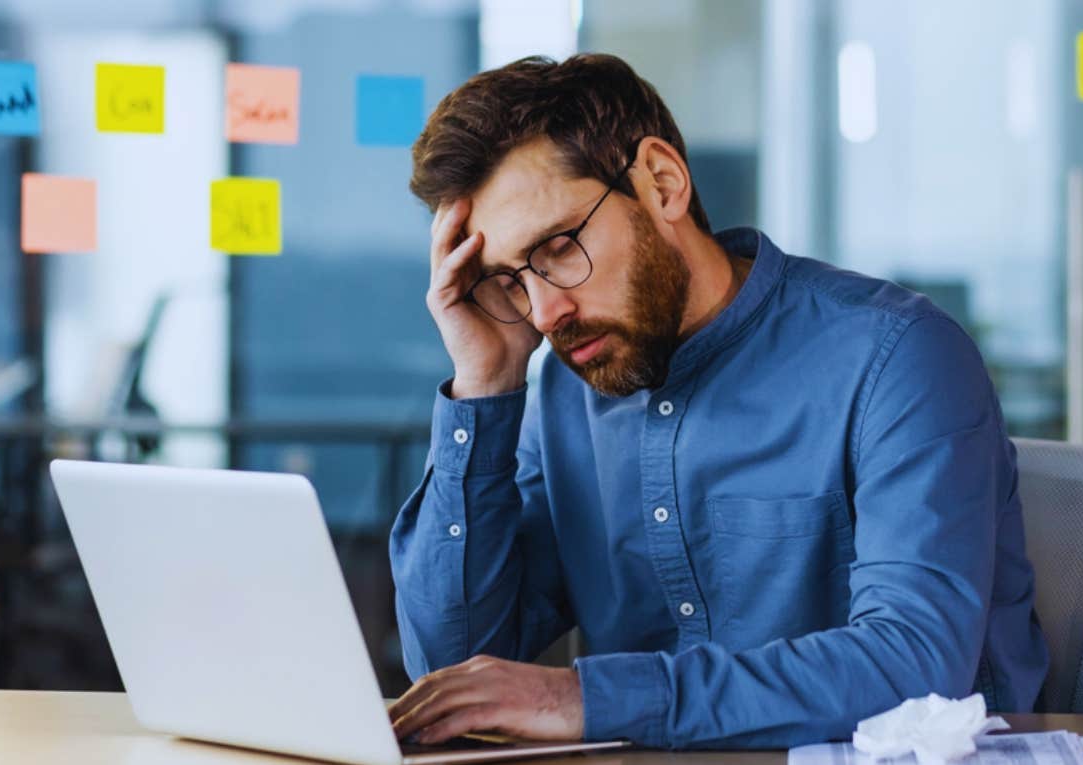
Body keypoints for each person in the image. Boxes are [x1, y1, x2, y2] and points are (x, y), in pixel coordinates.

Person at [386, 53, 1047, 750]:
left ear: (663, 183)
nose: (545, 310)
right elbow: (450, 667)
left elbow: (914, 664)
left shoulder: (896, 356)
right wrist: (485, 385)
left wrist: (586, 696)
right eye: (509, 280)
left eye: (557, 246)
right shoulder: (562, 394)